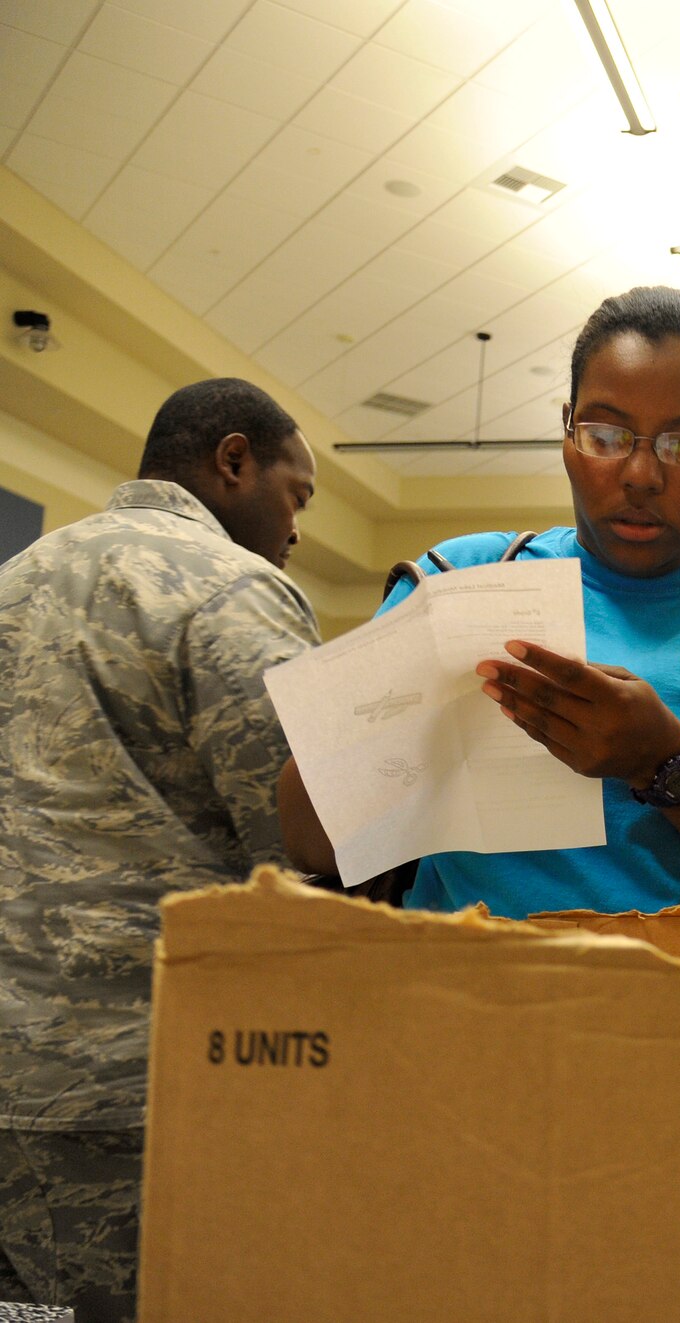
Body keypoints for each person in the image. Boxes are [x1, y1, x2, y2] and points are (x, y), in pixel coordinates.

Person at [281, 286, 680, 918]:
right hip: (460, 996)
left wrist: (667, 760)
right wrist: (390, 711)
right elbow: (312, 843)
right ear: (567, 432)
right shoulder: (462, 576)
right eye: (606, 436)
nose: (640, 474)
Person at [0, 378, 319, 1322]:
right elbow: (299, 844)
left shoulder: (13, 578)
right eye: (296, 494)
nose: (297, 526)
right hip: (144, 1087)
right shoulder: (235, 587)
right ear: (233, 461)